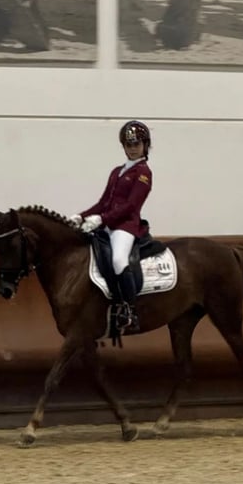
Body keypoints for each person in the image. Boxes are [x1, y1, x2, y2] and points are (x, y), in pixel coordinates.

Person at [69, 120, 154, 333]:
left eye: (136, 144)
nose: (132, 148)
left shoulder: (143, 173)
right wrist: (81, 216)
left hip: (125, 226)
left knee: (118, 260)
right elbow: (103, 202)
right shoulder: (117, 171)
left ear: (145, 145)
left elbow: (131, 205)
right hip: (107, 223)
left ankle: (130, 310)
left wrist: (102, 220)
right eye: (128, 144)